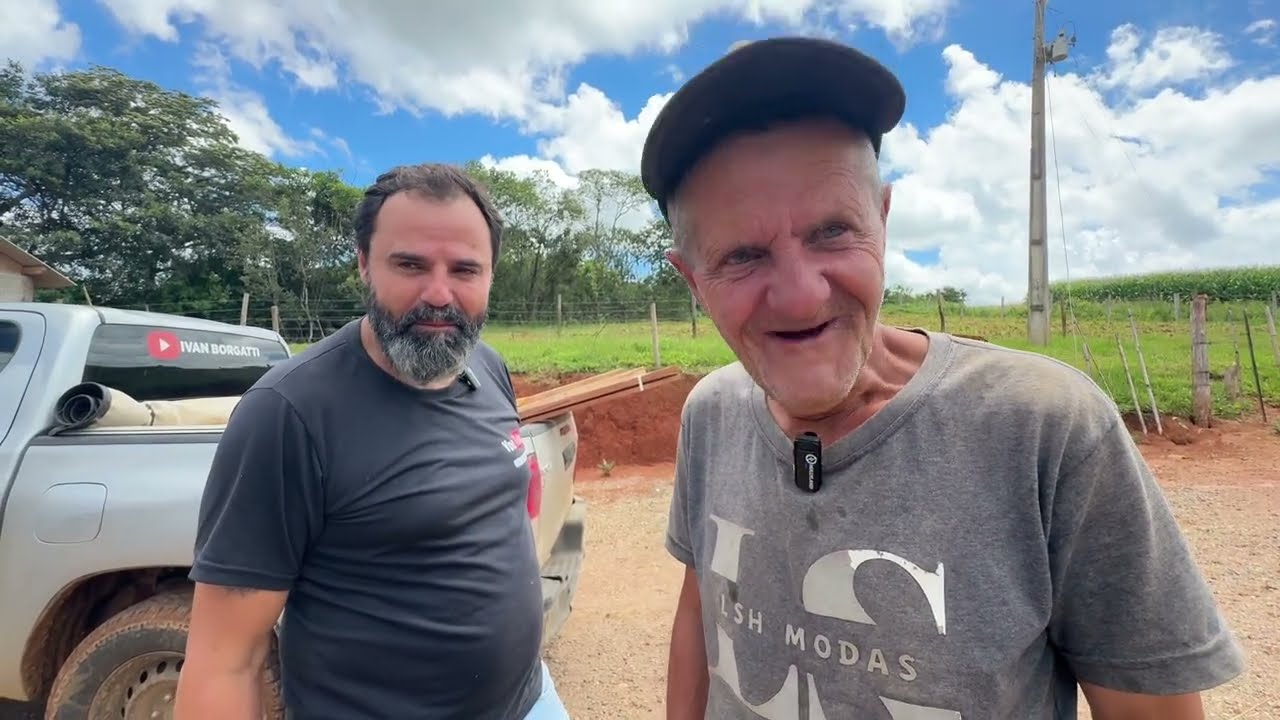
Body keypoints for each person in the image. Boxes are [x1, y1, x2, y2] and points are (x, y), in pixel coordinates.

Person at [641, 37, 1245, 720]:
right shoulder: (711, 413)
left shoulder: (1045, 430)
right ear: (692, 280)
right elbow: (701, 612)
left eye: (833, 232)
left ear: (882, 222)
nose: (803, 297)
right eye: (743, 256)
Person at [174, 163, 569, 719]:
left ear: (490, 275)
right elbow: (224, 661)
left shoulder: (486, 366)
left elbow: (504, 507)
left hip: (530, 701)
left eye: (465, 269)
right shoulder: (289, 414)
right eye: (410, 265)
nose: (439, 294)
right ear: (363, 262)